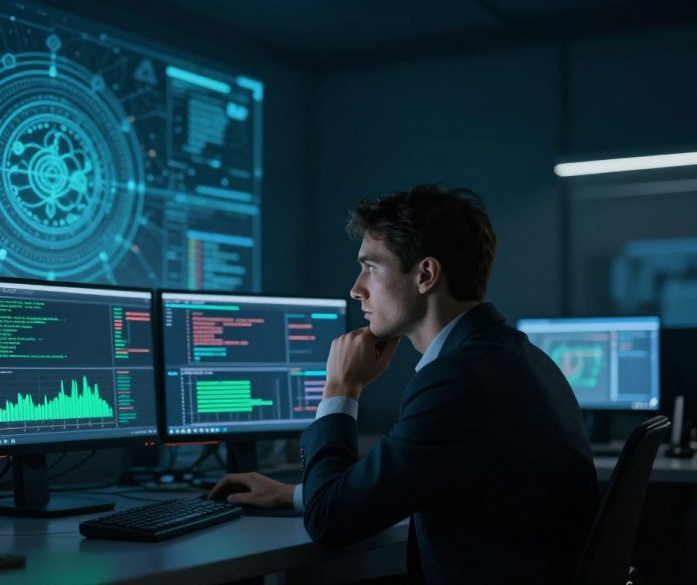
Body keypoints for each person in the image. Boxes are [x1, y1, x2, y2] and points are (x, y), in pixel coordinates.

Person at [209, 184, 599, 583]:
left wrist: (341, 389)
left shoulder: (460, 380)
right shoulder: (512, 356)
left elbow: (331, 520)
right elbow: (406, 480)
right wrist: (295, 494)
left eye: (371, 267)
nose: (356, 288)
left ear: (426, 275)